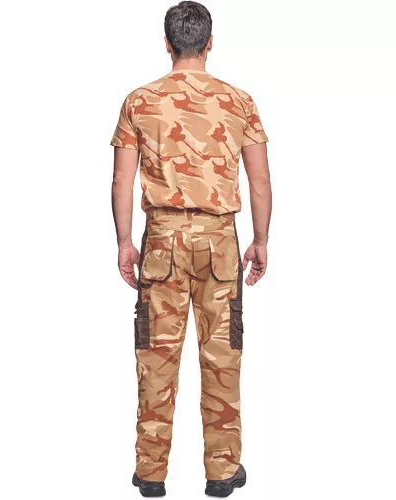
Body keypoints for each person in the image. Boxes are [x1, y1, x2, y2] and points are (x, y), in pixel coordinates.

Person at [110, 1, 271, 497]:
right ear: (210, 42)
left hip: (161, 241)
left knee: (155, 357)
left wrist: (124, 241)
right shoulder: (239, 101)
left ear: (167, 43)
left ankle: (150, 473)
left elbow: (121, 179)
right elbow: (260, 180)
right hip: (220, 243)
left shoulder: (139, 101)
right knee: (222, 356)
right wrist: (261, 239)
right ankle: (221, 473)